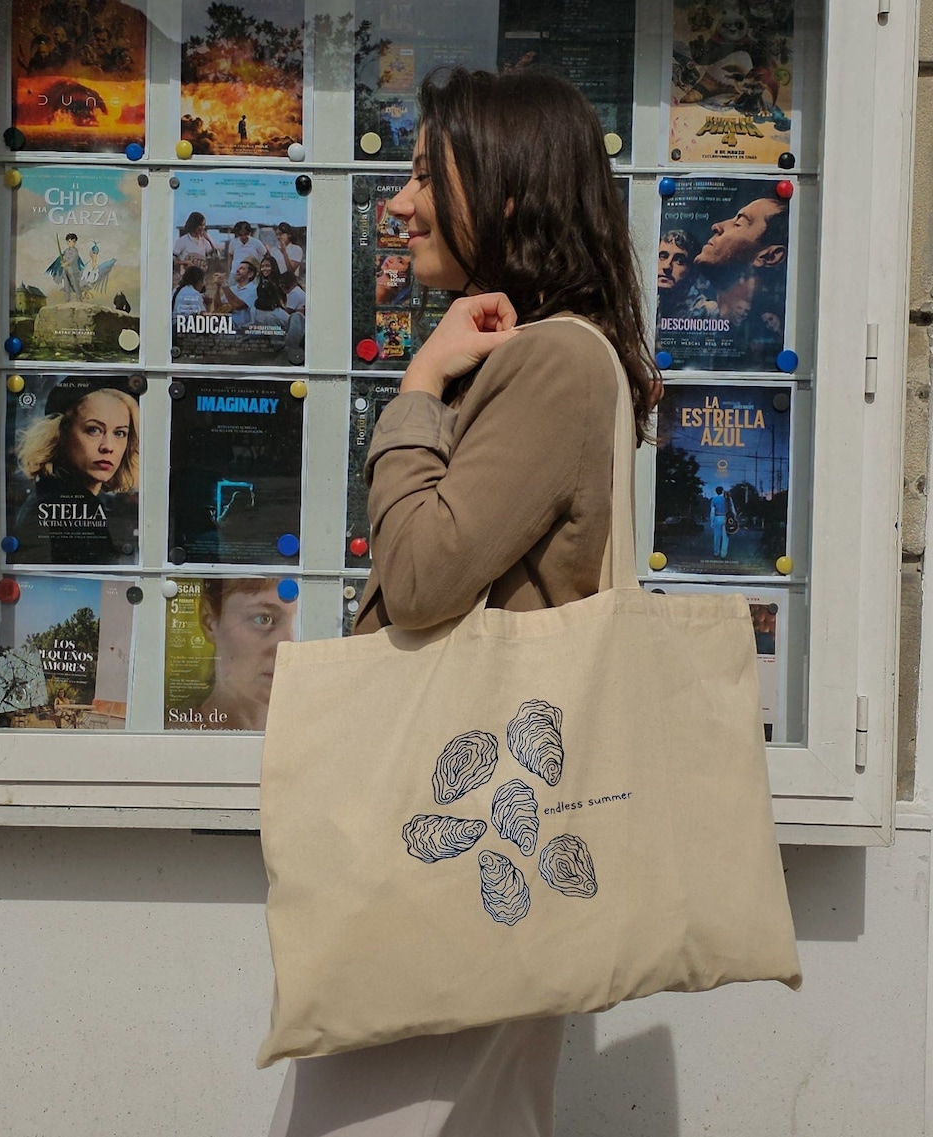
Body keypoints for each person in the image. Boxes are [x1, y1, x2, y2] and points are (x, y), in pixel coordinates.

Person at [268, 66, 660, 1137]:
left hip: (465, 825)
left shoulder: (552, 364)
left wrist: (414, 392)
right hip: (482, 820)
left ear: (509, 194)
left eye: (422, 174)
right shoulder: (559, 356)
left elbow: (428, 575)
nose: (396, 204)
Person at [10, 381, 139, 565]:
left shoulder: (56, 494)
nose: (108, 447)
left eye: (119, 433)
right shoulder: (69, 502)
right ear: (60, 433)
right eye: (93, 430)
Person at [192, 579, 296, 731]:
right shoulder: (168, 741)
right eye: (264, 619)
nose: (289, 646)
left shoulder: (319, 738)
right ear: (210, 622)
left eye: (300, 622)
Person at [656, 228, 702, 320]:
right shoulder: (652, 304)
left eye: (680, 261)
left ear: (692, 272)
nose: (667, 266)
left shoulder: (705, 311)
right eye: (663, 256)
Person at [213, 260, 258, 328]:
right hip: (225, 328)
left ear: (250, 274)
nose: (237, 270)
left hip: (242, 331)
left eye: (242, 268)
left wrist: (224, 284)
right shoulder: (231, 289)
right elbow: (218, 308)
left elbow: (238, 305)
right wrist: (218, 287)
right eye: (238, 268)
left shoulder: (254, 289)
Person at [710, 485, 736, 559]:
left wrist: (712, 522)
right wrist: (734, 519)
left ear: (716, 492)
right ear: (722, 491)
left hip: (717, 518)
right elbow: (733, 510)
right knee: (725, 537)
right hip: (726, 519)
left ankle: (716, 552)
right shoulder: (728, 499)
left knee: (716, 536)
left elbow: (712, 512)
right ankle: (723, 554)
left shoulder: (714, 500)